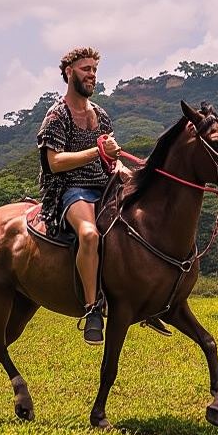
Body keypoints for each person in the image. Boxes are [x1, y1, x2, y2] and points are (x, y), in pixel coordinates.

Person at [36, 47, 132, 344]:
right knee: (89, 235)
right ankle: (92, 310)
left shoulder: (101, 115)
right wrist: (96, 151)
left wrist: (123, 169)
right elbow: (54, 162)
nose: (92, 75)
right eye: (85, 69)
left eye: (94, 70)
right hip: (71, 189)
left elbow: (112, 158)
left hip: (106, 186)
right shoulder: (57, 115)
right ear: (69, 72)